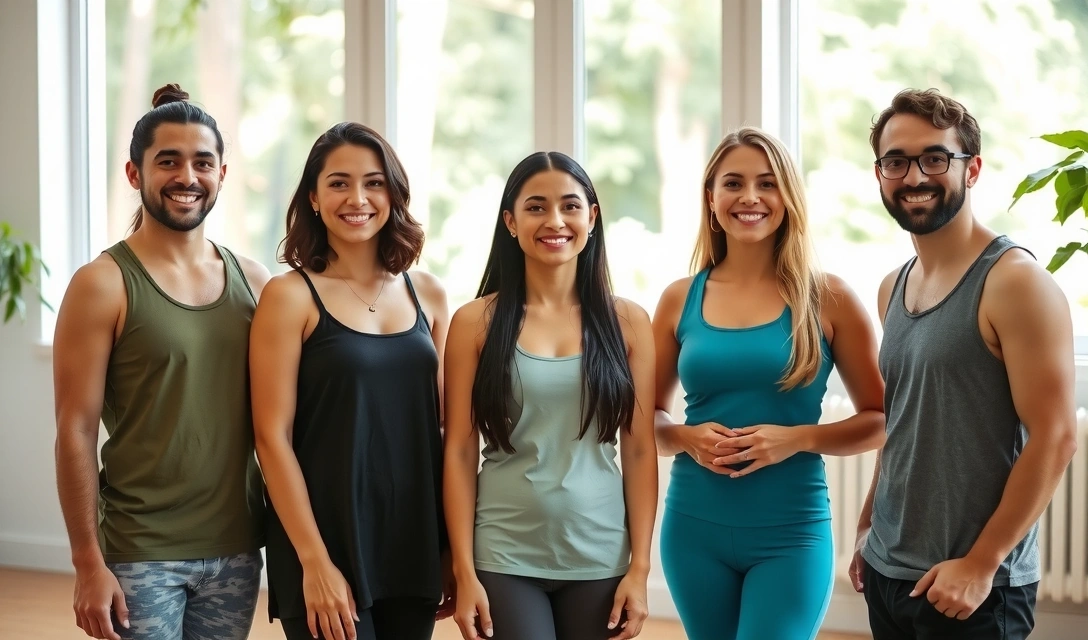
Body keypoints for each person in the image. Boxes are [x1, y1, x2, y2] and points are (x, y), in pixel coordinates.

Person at [848, 88, 1079, 639]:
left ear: (971, 169)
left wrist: (981, 564)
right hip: (889, 568)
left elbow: (1056, 436)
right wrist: (867, 527)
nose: (914, 176)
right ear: (880, 173)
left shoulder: (1015, 283)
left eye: (934, 157)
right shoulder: (892, 286)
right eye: (895, 161)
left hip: (973, 586)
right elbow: (904, 421)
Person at [53, 84, 270, 640]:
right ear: (134, 174)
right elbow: (74, 430)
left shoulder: (256, 283)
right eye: (167, 161)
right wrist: (87, 563)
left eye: (202, 162)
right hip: (139, 552)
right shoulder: (102, 284)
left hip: (237, 548)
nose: (187, 177)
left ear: (222, 172)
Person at [651, 126, 886, 640]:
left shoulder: (829, 298)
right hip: (694, 528)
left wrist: (798, 438)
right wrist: (685, 438)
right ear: (711, 198)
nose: (750, 197)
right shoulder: (677, 299)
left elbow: (881, 421)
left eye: (768, 183)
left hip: (790, 532)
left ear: (788, 198)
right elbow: (644, 420)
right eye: (732, 183)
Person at [443, 151, 658, 640]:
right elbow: (457, 449)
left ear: (592, 217)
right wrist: (464, 569)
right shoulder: (475, 322)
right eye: (536, 207)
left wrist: (640, 569)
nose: (555, 221)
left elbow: (641, 448)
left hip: (600, 554)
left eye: (570, 206)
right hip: (502, 552)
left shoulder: (629, 323)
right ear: (510, 222)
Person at [250, 121, 452, 640]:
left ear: (393, 194)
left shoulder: (428, 294)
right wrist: (313, 560)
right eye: (338, 183)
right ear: (313, 198)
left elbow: (446, 433)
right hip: (325, 543)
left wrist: (450, 549)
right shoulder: (288, 296)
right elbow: (271, 439)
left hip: (413, 543)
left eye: (374, 182)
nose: (357, 198)